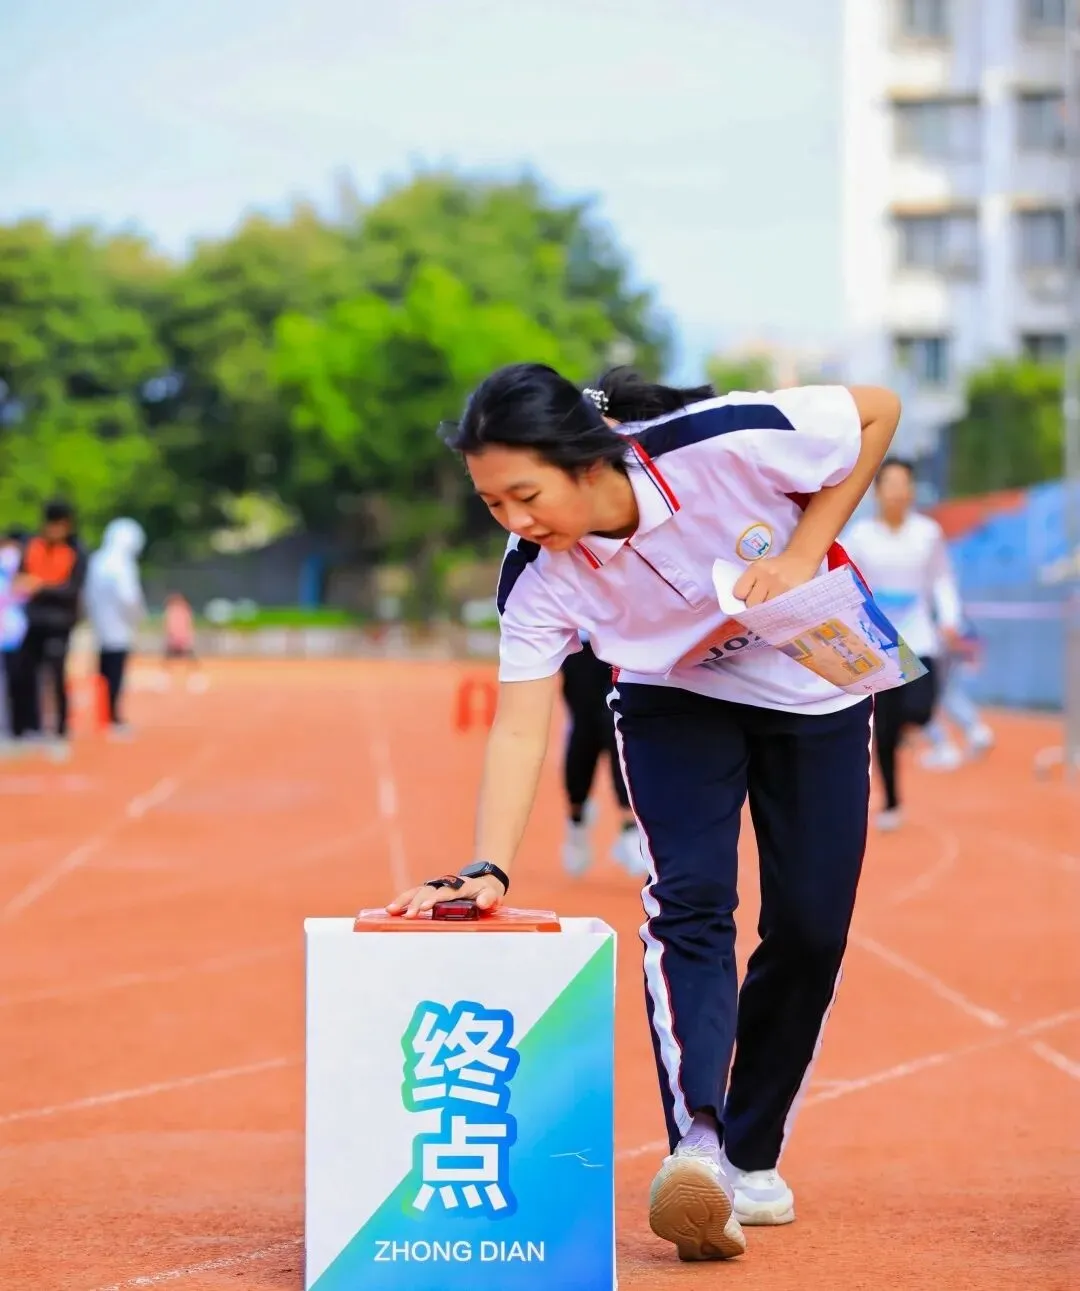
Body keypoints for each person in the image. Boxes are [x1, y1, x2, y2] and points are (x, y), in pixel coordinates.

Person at [385, 363, 902, 1263]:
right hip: (674, 700)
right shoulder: (536, 577)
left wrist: (802, 550)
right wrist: (489, 864)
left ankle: (751, 1151)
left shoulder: (722, 441)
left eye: (524, 495)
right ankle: (698, 1147)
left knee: (813, 928)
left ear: (586, 463)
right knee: (692, 900)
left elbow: (877, 411)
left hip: (813, 682)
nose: (513, 521)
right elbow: (519, 725)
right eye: (492, 504)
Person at [842, 459, 962, 829]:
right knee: (886, 731)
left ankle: (919, 731)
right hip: (880, 643)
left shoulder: (928, 533)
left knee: (921, 710)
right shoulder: (860, 537)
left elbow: (942, 579)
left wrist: (951, 619)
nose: (896, 491)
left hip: (922, 637)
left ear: (911, 490)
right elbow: (847, 583)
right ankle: (892, 803)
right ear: (877, 492)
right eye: (889, 483)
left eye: (903, 483)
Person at [560, 628, 648, 877]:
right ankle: (576, 818)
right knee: (584, 734)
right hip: (581, 646)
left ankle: (630, 827)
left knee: (617, 728)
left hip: (623, 640)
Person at [15, 499, 87, 757]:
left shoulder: (76, 550)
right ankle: (26, 727)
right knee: (24, 673)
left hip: (60, 622)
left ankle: (60, 728)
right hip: (34, 619)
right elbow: (22, 577)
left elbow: (72, 588)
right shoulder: (32, 546)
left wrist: (41, 586)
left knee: (55, 674)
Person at [84, 517, 147, 736]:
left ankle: (104, 714)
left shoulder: (97, 561)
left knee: (103, 672)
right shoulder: (122, 564)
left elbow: (87, 596)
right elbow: (129, 598)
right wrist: (137, 617)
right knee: (116, 673)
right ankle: (113, 716)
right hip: (119, 627)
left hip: (100, 626)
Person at [0, 528, 30, 750]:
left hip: (12, 630)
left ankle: (12, 728)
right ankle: (13, 728)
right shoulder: (13, 559)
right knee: (13, 683)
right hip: (11, 630)